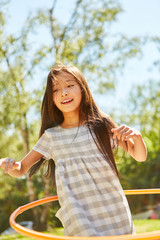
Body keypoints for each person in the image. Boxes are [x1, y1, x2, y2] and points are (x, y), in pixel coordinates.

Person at [0, 64, 147, 237]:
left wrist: (137, 138)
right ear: (51, 98)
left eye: (70, 85)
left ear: (83, 89)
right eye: (56, 89)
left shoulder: (102, 125)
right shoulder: (52, 136)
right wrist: (9, 165)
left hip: (113, 209)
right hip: (77, 213)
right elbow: (21, 168)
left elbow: (140, 156)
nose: (64, 92)